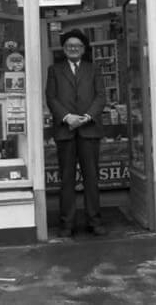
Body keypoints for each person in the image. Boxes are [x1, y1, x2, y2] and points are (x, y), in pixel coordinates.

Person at [45, 28, 107, 237]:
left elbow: (101, 97)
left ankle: (95, 221)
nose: (73, 49)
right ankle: (66, 224)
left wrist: (87, 117)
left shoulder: (93, 69)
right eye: (69, 46)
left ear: (83, 49)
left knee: (91, 178)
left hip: (89, 130)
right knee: (67, 179)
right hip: (65, 131)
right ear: (64, 49)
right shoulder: (54, 70)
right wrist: (67, 117)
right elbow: (51, 98)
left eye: (77, 46)